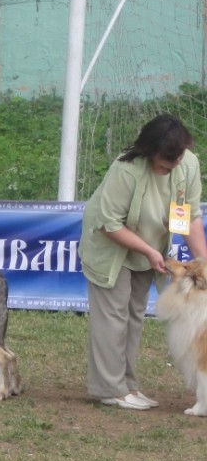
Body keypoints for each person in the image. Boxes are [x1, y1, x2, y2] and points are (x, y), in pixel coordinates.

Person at [79, 113, 207, 410]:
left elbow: (189, 216)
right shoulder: (126, 170)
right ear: (149, 152)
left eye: (177, 159)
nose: (173, 166)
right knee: (112, 317)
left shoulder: (188, 164)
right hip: (111, 245)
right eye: (166, 162)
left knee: (134, 316)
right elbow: (108, 223)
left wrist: (203, 261)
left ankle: (128, 385)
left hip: (149, 247)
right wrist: (150, 252)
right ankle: (110, 389)